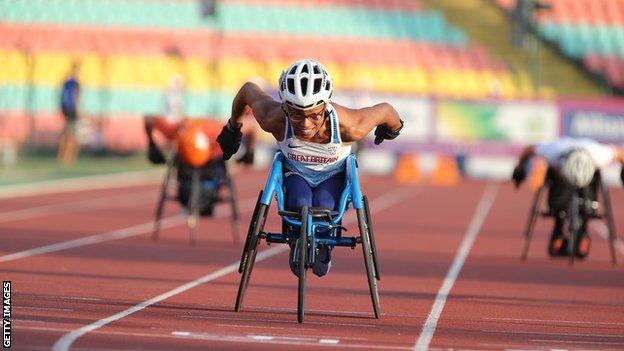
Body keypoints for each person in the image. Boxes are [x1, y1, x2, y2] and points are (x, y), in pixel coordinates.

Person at [216, 59, 404, 277]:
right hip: (295, 172)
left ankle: (326, 246)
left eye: (314, 115)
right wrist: (233, 128)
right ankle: (296, 242)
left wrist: (393, 128)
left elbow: (386, 110)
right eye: (296, 114)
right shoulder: (273, 118)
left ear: (325, 107)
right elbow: (247, 91)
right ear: (285, 108)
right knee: (299, 204)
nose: (305, 124)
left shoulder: (350, 126)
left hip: (333, 174)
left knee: (327, 208)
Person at [512, 137, 624, 259]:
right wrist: (519, 170)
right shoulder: (553, 151)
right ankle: (559, 220)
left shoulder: (599, 154)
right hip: (561, 176)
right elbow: (529, 150)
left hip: (589, 174)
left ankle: (585, 220)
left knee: (593, 181)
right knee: (553, 175)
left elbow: (620, 153)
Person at [144, 116, 255, 216]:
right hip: (211, 178)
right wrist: (249, 153)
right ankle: (205, 199)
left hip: (186, 182)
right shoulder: (217, 127)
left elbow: (149, 119)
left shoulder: (181, 126)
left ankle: (193, 198)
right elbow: (251, 128)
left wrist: (152, 145)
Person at [58, 62, 81, 165]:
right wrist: (76, 110)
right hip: (71, 110)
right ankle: (68, 157)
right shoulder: (75, 83)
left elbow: (61, 96)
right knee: (71, 133)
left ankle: (63, 156)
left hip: (65, 109)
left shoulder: (66, 82)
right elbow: (75, 97)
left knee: (67, 132)